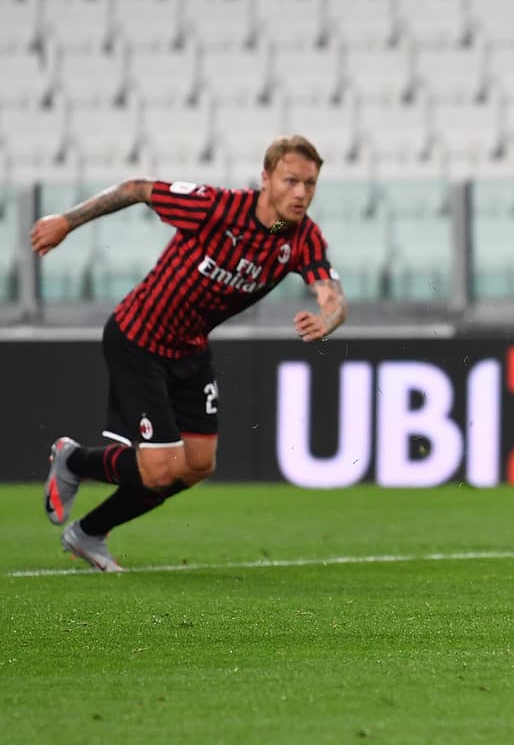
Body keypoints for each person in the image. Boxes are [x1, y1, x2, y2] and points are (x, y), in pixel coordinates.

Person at [32, 135, 347, 572]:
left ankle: (89, 532)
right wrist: (67, 221)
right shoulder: (215, 208)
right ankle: (73, 459)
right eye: (291, 180)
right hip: (138, 338)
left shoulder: (295, 237)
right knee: (161, 468)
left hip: (190, 350)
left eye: (310, 184)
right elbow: (136, 189)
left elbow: (333, 298)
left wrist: (325, 320)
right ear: (266, 178)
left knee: (197, 464)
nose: (301, 193)